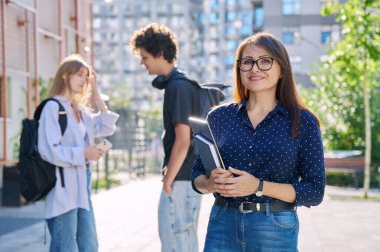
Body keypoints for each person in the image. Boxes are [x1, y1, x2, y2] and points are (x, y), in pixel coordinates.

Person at [192, 32, 326, 251]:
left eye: (265, 61)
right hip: (222, 223)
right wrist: (210, 183)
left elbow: (314, 190)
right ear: (239, 69)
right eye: (247, 62)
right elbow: (196, 174)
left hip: (275, 227)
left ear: (282, 69)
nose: (255, 68)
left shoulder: (303, 122)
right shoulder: (218, 117)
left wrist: (258, 186)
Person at [130, 23, 202, 252]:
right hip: (189, 178)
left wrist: (167, 180)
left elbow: (183, 140)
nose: (142, 62)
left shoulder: (177, 87)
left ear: (160, 54)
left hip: (180, 180)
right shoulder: (184, 83)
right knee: (185, 240)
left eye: (144, 57)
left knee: (175, 241)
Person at [38, 54, 119, 252]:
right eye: (80, 74)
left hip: (83, 188)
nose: (84, 79)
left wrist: (96, 93)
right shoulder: (52, 108)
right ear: (65, 75)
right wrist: (84, 152)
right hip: (62, 190)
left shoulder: (81, 111)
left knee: (89, 246)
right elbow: (50, 151)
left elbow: (107, 126)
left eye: (87, 76)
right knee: (65, 247)